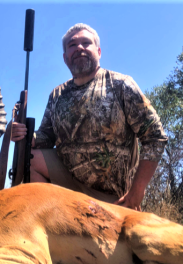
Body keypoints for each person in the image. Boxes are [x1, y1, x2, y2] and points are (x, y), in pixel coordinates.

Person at [12, 23, 167, 211]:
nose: (79, 48)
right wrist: (25, 134)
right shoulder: (57, 95)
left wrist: (137, 191)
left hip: (113, 198)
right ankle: (52, 219)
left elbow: (155, 137)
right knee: (29, 157)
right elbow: (45, 137)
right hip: (67, 188)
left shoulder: (121, 84)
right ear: (65, 58)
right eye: (72, 45)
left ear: (99, 51)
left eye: (86, 43)